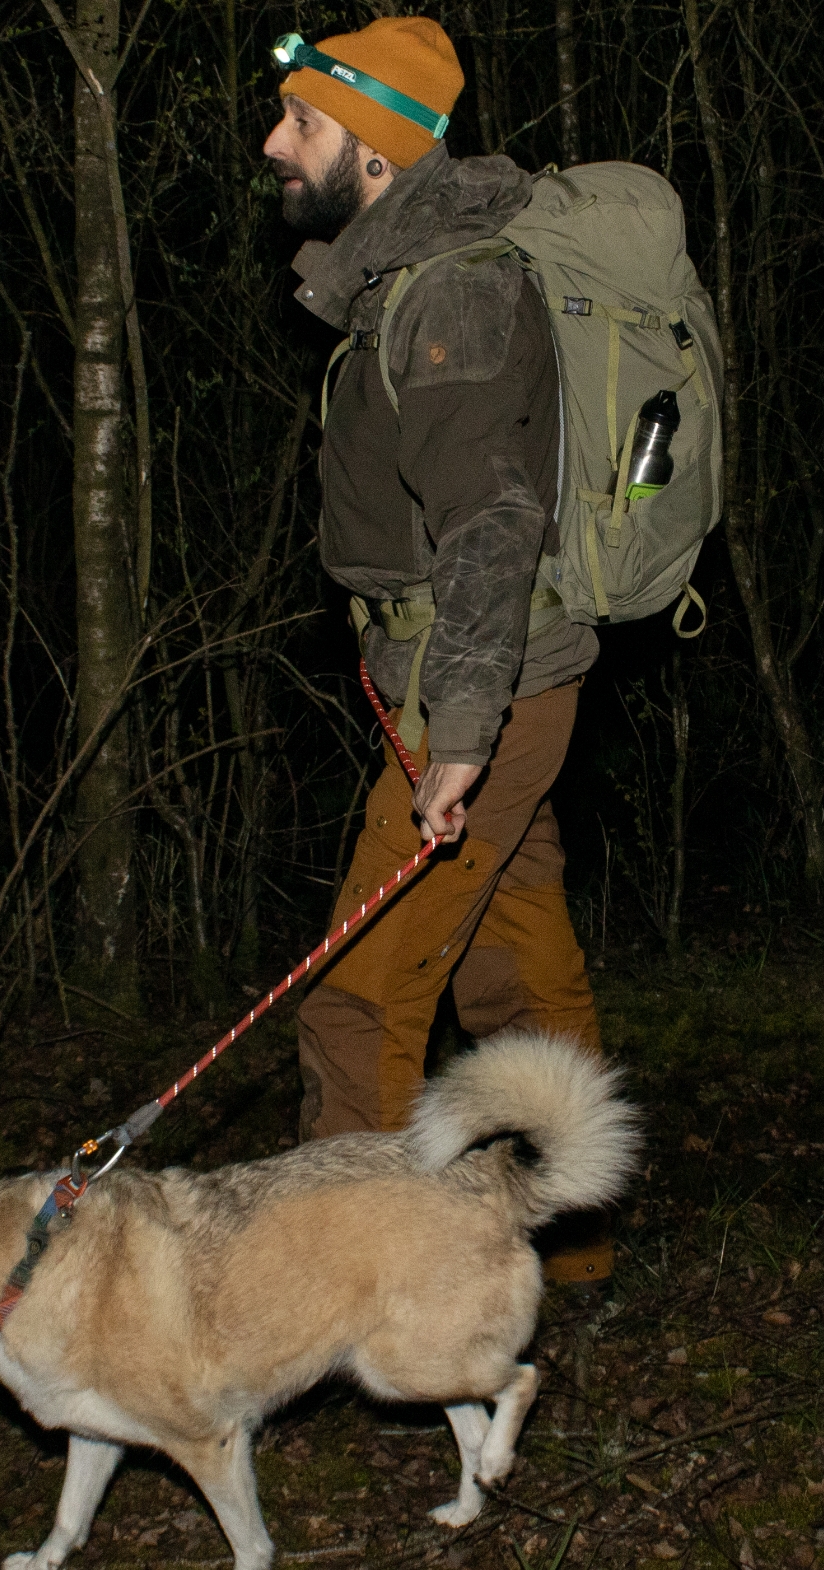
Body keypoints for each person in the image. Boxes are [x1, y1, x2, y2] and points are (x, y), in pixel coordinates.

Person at [262, 17, 611, 1282]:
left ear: (379, 148)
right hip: (481, 683)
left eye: (301, 122)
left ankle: (339, 1288)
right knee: (517, 968)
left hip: (485, 695)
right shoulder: (403, 283)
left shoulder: (453, 292)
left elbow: (493, 522)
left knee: (358, 1001)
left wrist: (459, 735)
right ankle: (569, 1247)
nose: (274, 142)